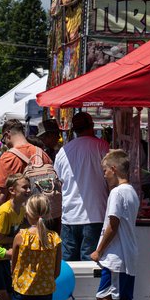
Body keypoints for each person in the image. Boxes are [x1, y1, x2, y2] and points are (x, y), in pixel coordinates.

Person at [91, 149, 146, 300]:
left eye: (105, 170)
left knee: (104, 297)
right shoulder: (131, 191)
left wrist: (99, 250)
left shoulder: (117, 193)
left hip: (116, 255)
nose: (104, 175)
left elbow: (112, 224)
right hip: (126, 254)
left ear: (114, 169)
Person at [55, 111, 110, 262]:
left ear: (74, 130)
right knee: (89, 265)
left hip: (69, 216)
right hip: (95, 214)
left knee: (68, 264)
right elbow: (111, 178)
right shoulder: (102, 146)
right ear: (92, 126)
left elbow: (59, 182)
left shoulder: (63, 151)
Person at [0, 119, 45, 213]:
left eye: (3, 140)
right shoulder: (41, 153)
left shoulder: (7, 157)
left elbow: (1, 194)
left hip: (16, 215)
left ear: (7, 135)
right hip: (41, 210)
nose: (5, 144)